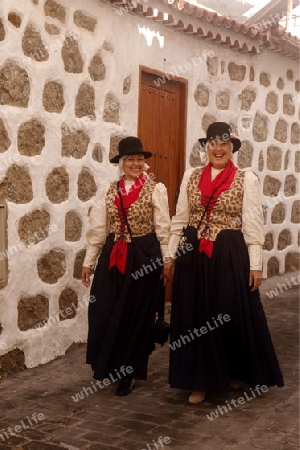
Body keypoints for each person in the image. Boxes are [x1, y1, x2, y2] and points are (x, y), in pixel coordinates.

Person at [164, 122, 284, 404]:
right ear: (206, 148)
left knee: (229, 311)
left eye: (224, 144)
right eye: (212, 144)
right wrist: (170, 255)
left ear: (231, 149)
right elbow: (180, 219)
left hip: (229, 252)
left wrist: (256, 265)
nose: (218, 149)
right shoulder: (190, 176)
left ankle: (234, 370)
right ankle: (199, 381)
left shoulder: (246, 179)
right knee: (195, 316)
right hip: (194, 255)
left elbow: (253, 225)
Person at [81, 136, 170, 396]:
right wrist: (89, 262)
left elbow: (163, 230)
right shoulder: (107, 191)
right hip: (113, 255)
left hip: (144, 255)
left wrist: (166, 262)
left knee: (135, 316)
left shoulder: (156, 189)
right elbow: (98, 230)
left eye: (140, 159)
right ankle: (110, 363)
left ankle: (129, 372)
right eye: (130, 159)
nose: (135, 163)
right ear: (121, 163)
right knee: (105, 311)